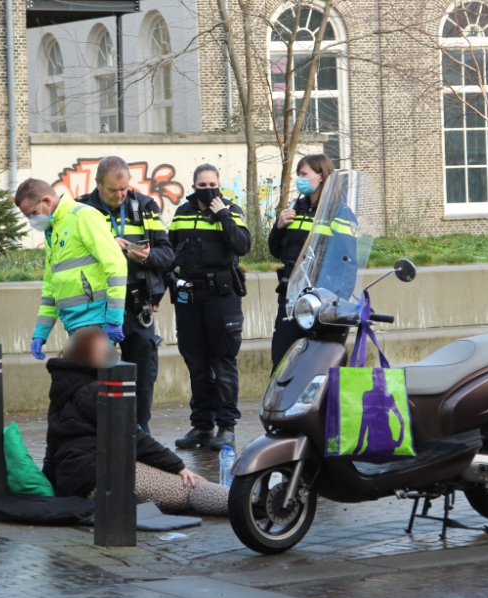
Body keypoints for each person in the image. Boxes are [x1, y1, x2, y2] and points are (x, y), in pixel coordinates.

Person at [42, 327, 229, 515]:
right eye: (103, 350)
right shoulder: (97, 390)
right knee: (190, 487)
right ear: (87, 358)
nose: (111, 353)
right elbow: (132, 437)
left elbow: (52, 447)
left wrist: (51, 488)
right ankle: (247, 503)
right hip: (100, 477)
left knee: (169, 481)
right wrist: (178, 466)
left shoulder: (63, 389)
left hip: (75, 480)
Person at [76, 156, 174, 434]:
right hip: (95, 304)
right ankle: (94, 433)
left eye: (124, 189)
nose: (119, 195)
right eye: (112, 190)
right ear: (97, 184)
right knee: (91, 373)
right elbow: (69, 258)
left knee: (142, 375)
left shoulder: (144, 206)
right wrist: (106, 245)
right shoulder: (81, 209)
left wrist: (147, 256)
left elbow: (167, 254)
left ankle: (140, 431)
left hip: (136, 305)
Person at [169, 165, 250, 451]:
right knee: (197, 365)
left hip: (222, 297)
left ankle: (226, 427)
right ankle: (201, 426)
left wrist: (223, 215)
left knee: (223, 363)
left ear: (219, 184)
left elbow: (242, 246)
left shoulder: (232, 210)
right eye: (202, 184)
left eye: (213, 183)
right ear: (194, 186)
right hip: (189, 298)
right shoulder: (182, 213)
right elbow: (171, 251)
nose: (208, 188)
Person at [15, 178, 127, 350]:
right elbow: (52, 285)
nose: (31, 220)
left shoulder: (82, 217)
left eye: (32, 213)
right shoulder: (53, 229)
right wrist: (41, 331)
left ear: (46, 201)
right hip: (77, 323)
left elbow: (116, 265)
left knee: (88, 375)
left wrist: (114, 318)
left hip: (95, 320)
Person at [268, 154, 334, 369]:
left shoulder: (337, 212)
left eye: (304, 174)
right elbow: (275, 250)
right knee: (282, 357)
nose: (300, 179)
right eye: (298, 175)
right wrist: (279, 227)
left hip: (320, 298)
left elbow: (345, 260)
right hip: (291, 296)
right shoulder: (295, 208)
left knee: (316, 362)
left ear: (321, 176)